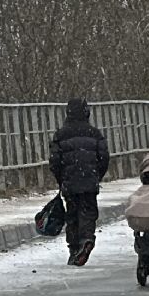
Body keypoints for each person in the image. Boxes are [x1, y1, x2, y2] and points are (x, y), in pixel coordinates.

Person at [48, 97, 110, 266]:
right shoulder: (94, 133)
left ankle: (74, 248)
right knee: (88, 212)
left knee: (72, 215)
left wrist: (61, 179)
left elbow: (54, 161)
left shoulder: (60, 135)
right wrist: (96, 175)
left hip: (70, 181)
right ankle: (87, 239)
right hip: (89, 180)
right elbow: (104, 157)